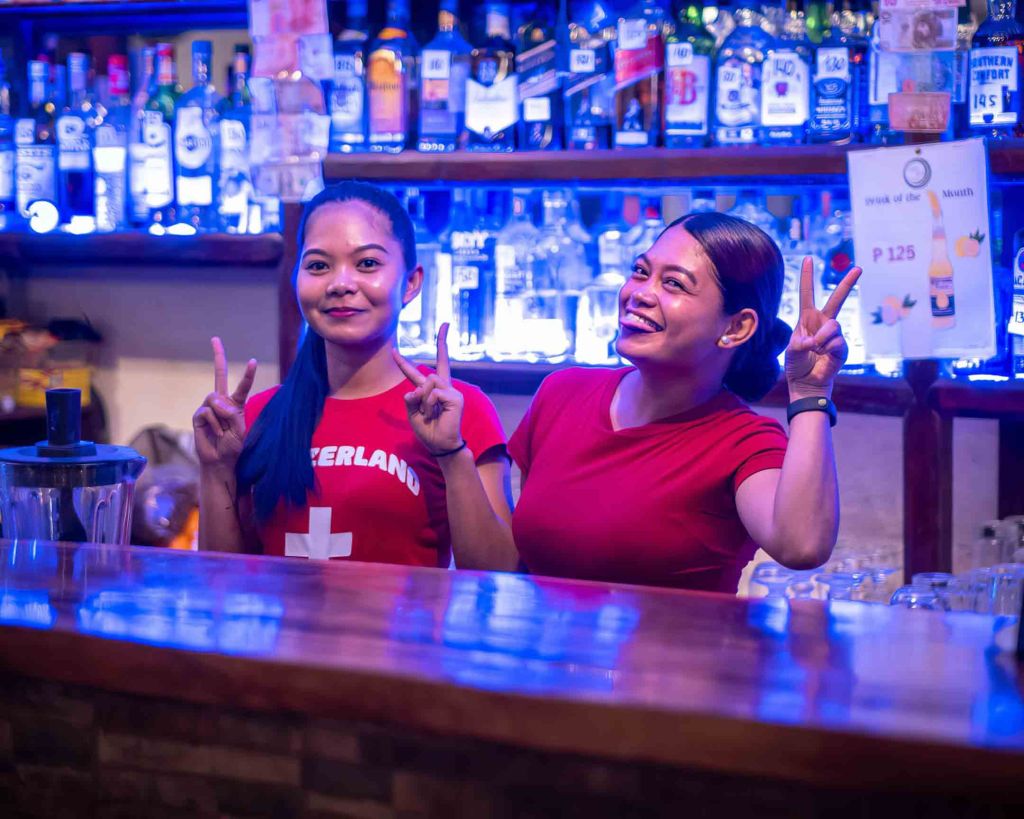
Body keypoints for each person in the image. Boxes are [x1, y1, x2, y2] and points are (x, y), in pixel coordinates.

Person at [395, 211, 860, 592]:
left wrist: (810, 394)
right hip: (544, 686)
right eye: (641, 272)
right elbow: (502, 571)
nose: (638, 294)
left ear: (735, 328)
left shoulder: (742, 440)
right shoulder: (563, 394)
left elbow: (801, 547)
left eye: (673, 284)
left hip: (665, 694)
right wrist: (452, 453)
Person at [193, 181, 512, 568]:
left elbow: (498, 575)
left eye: (367, 264)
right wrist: (215, 470)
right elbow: (222, 582)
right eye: (318, 266)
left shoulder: (455, 410)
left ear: (411, 283)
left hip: (402, 631)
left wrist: (451, 452)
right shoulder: (259, 416)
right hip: (282, 630)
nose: (340, 284)